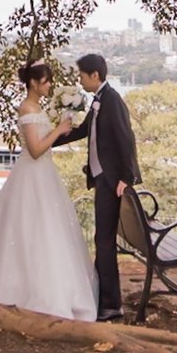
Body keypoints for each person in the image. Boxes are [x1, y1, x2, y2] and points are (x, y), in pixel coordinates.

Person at [0, 59, 98, 321]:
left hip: (45, 175)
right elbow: (35, 150)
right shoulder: (26, 108)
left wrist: (63, 124)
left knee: (48, 232)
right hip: (32, 174)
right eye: (45, 82)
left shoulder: (38, 107)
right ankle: (25, 293)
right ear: (33, 83)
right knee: (29, 230)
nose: (48, 86)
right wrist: (59, 130)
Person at [50, 52, 139, 322]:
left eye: (81, 75)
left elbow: (126, 139)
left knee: (104, 240)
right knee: (102, 239)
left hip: (113, 183)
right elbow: (85, 131)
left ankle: (111, 304)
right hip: (102, 180)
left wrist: (127, 177)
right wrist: (50, 140)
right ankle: (104, 299)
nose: (79, 79)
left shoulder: (112, 101)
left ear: (94, 76)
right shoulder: (99, 101)